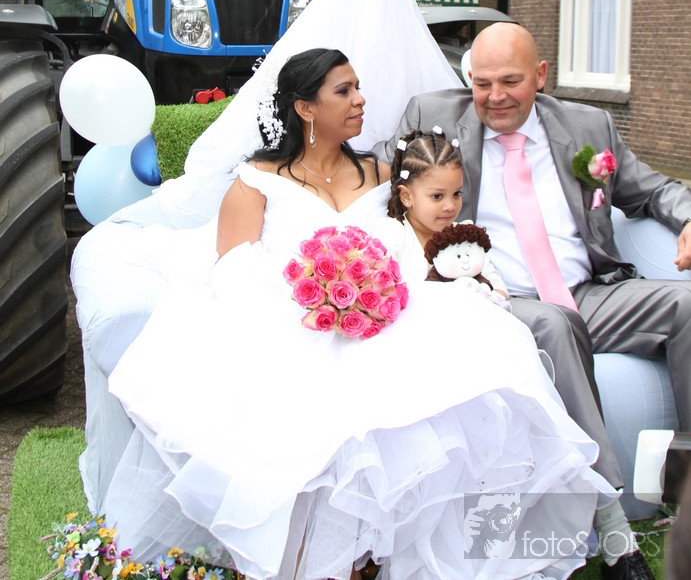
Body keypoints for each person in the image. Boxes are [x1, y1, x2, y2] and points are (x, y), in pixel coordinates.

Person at [104, 45, 613, 580]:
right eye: (344, 91)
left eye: (358, 88)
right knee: (315, 409)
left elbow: (419, 241)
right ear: (305, 108)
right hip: (289, 326)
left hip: (385, 319)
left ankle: (386, 557)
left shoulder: (383, 173)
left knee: (466, 366)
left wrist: (383, 290)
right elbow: (232, 272)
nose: (360, 100)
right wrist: (317, 298)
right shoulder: (256, 180)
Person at [380, 20, 691, 580]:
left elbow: (654, 190)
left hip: (589, 291)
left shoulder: (588, 125)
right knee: (553, 323)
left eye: (510, 81)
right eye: (482, 83)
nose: (494, 96)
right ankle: (612, 524)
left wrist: (689, 217)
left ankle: (688, 488)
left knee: (685, 305)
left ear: (541, 75)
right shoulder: (435, 115)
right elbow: (371, 172)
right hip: (496, 298)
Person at [372, 127, 509, 305]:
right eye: (437, 196)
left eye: (457, 194)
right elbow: (382, 292)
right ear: (406, 196)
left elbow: (498, 286)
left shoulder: (463, 235)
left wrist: (487, 297)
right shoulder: (392, 235)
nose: (450, 206)